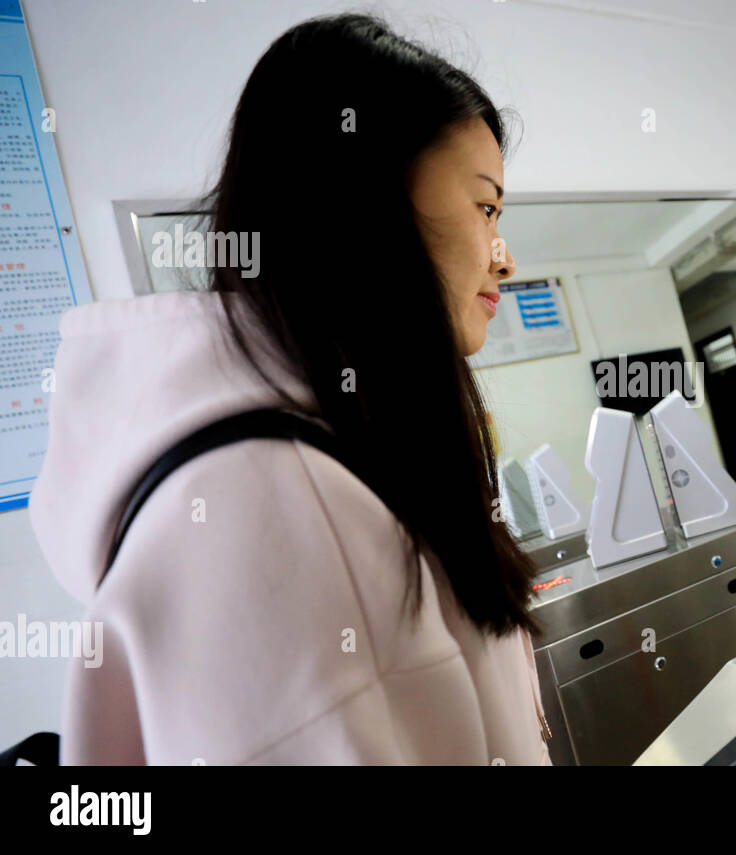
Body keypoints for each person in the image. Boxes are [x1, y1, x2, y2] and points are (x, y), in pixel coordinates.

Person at [28, 13, 552, 764]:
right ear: (368, 206)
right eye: (487, 207)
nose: (504, 257)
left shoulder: (344, 450)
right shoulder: (274, 501)